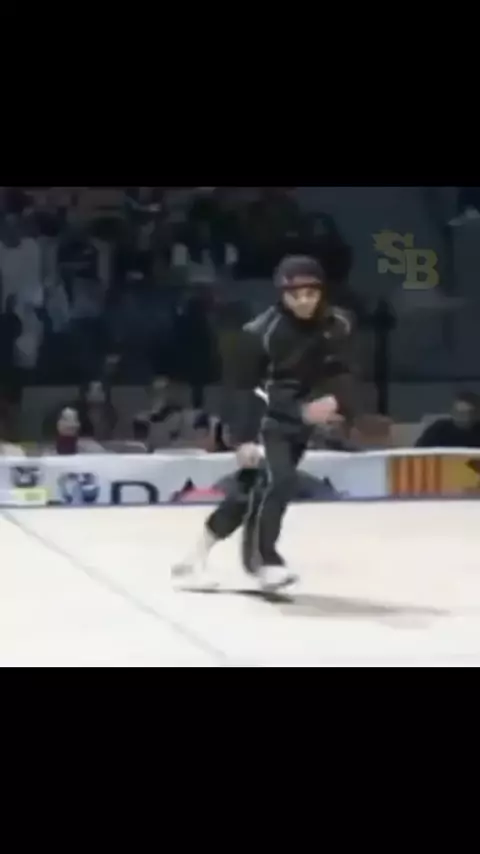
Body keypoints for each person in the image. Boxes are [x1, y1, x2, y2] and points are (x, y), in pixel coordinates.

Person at [172, 255, 358, 593]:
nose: (304, 301)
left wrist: (336, 401)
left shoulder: (338, 324)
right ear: (282, 294)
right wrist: (243, 438)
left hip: (299, 422)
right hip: (267, 419)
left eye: (311, 293)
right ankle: (264, 561)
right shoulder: (261, 333)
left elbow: (341, 370)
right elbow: (242, 388)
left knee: (249, 495)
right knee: (280, 482)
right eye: (295, 295)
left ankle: (191, 562)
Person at [415, 392, 480, 448]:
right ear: (452, 412)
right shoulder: (438, 429)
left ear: (476, 414)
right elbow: (419, 450)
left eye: (467, 413)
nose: (462, 417)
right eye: (458, 412)